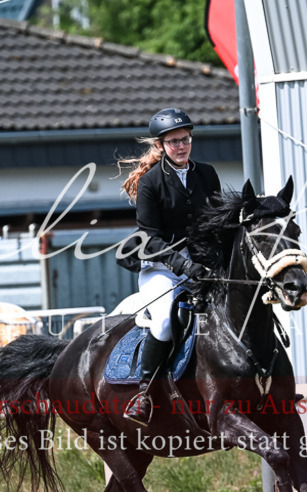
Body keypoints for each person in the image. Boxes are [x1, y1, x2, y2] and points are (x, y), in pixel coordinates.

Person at [118, 108, 221, 424]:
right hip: (161, 268)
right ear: (161, 145)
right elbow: (150, 237)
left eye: (185, 140)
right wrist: (183, 265)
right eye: (174, 141)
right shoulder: (151, 183)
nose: (181, 146)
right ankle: (144, 394)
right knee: (164, 321)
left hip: (202, 265)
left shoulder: (207, 173)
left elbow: (216, 221)